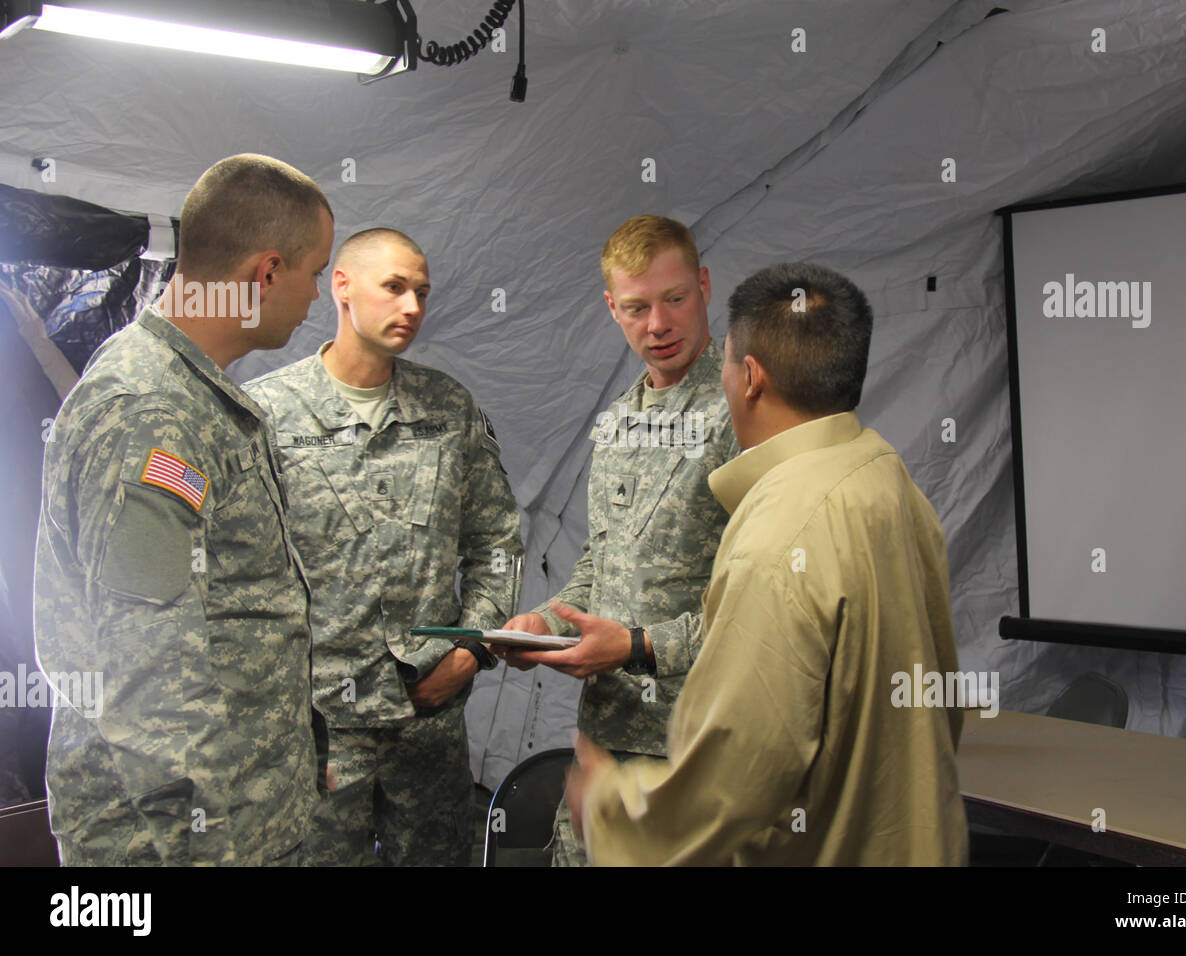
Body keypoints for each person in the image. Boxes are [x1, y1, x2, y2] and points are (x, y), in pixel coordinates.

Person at [565, 262, 969, 865]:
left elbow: (735, 783)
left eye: (725, 361)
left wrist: (608, 804)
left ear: (749, 377)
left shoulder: (778, 539)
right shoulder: (885, 476)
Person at [33, 154, 333, 865]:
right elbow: (146, 673)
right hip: (176, 843)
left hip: (241, 817)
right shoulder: (152, 412)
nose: (316, 296)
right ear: (265, 273)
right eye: (314, 271)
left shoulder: (195, 395)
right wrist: (207, 841)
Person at [244, 228, 521, 866]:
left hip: (428, 720)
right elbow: (241, 577)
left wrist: (471, 649)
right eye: (394, 288)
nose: (413, 307)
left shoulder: (447, 409)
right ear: (341, 287)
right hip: (315, 733)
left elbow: (496, 543)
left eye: (421, 292)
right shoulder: (269, 415)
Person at [498, 215, 739, 866]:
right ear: (612, 308)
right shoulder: (619, 423)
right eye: (636, 307)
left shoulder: (745, 411)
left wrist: (635, 647)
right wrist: (543, 623)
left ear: (705, 286)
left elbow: (770, 604)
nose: (657, 325)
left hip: (699, 753)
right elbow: (599, 568)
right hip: (605, 746)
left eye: (675, 299)